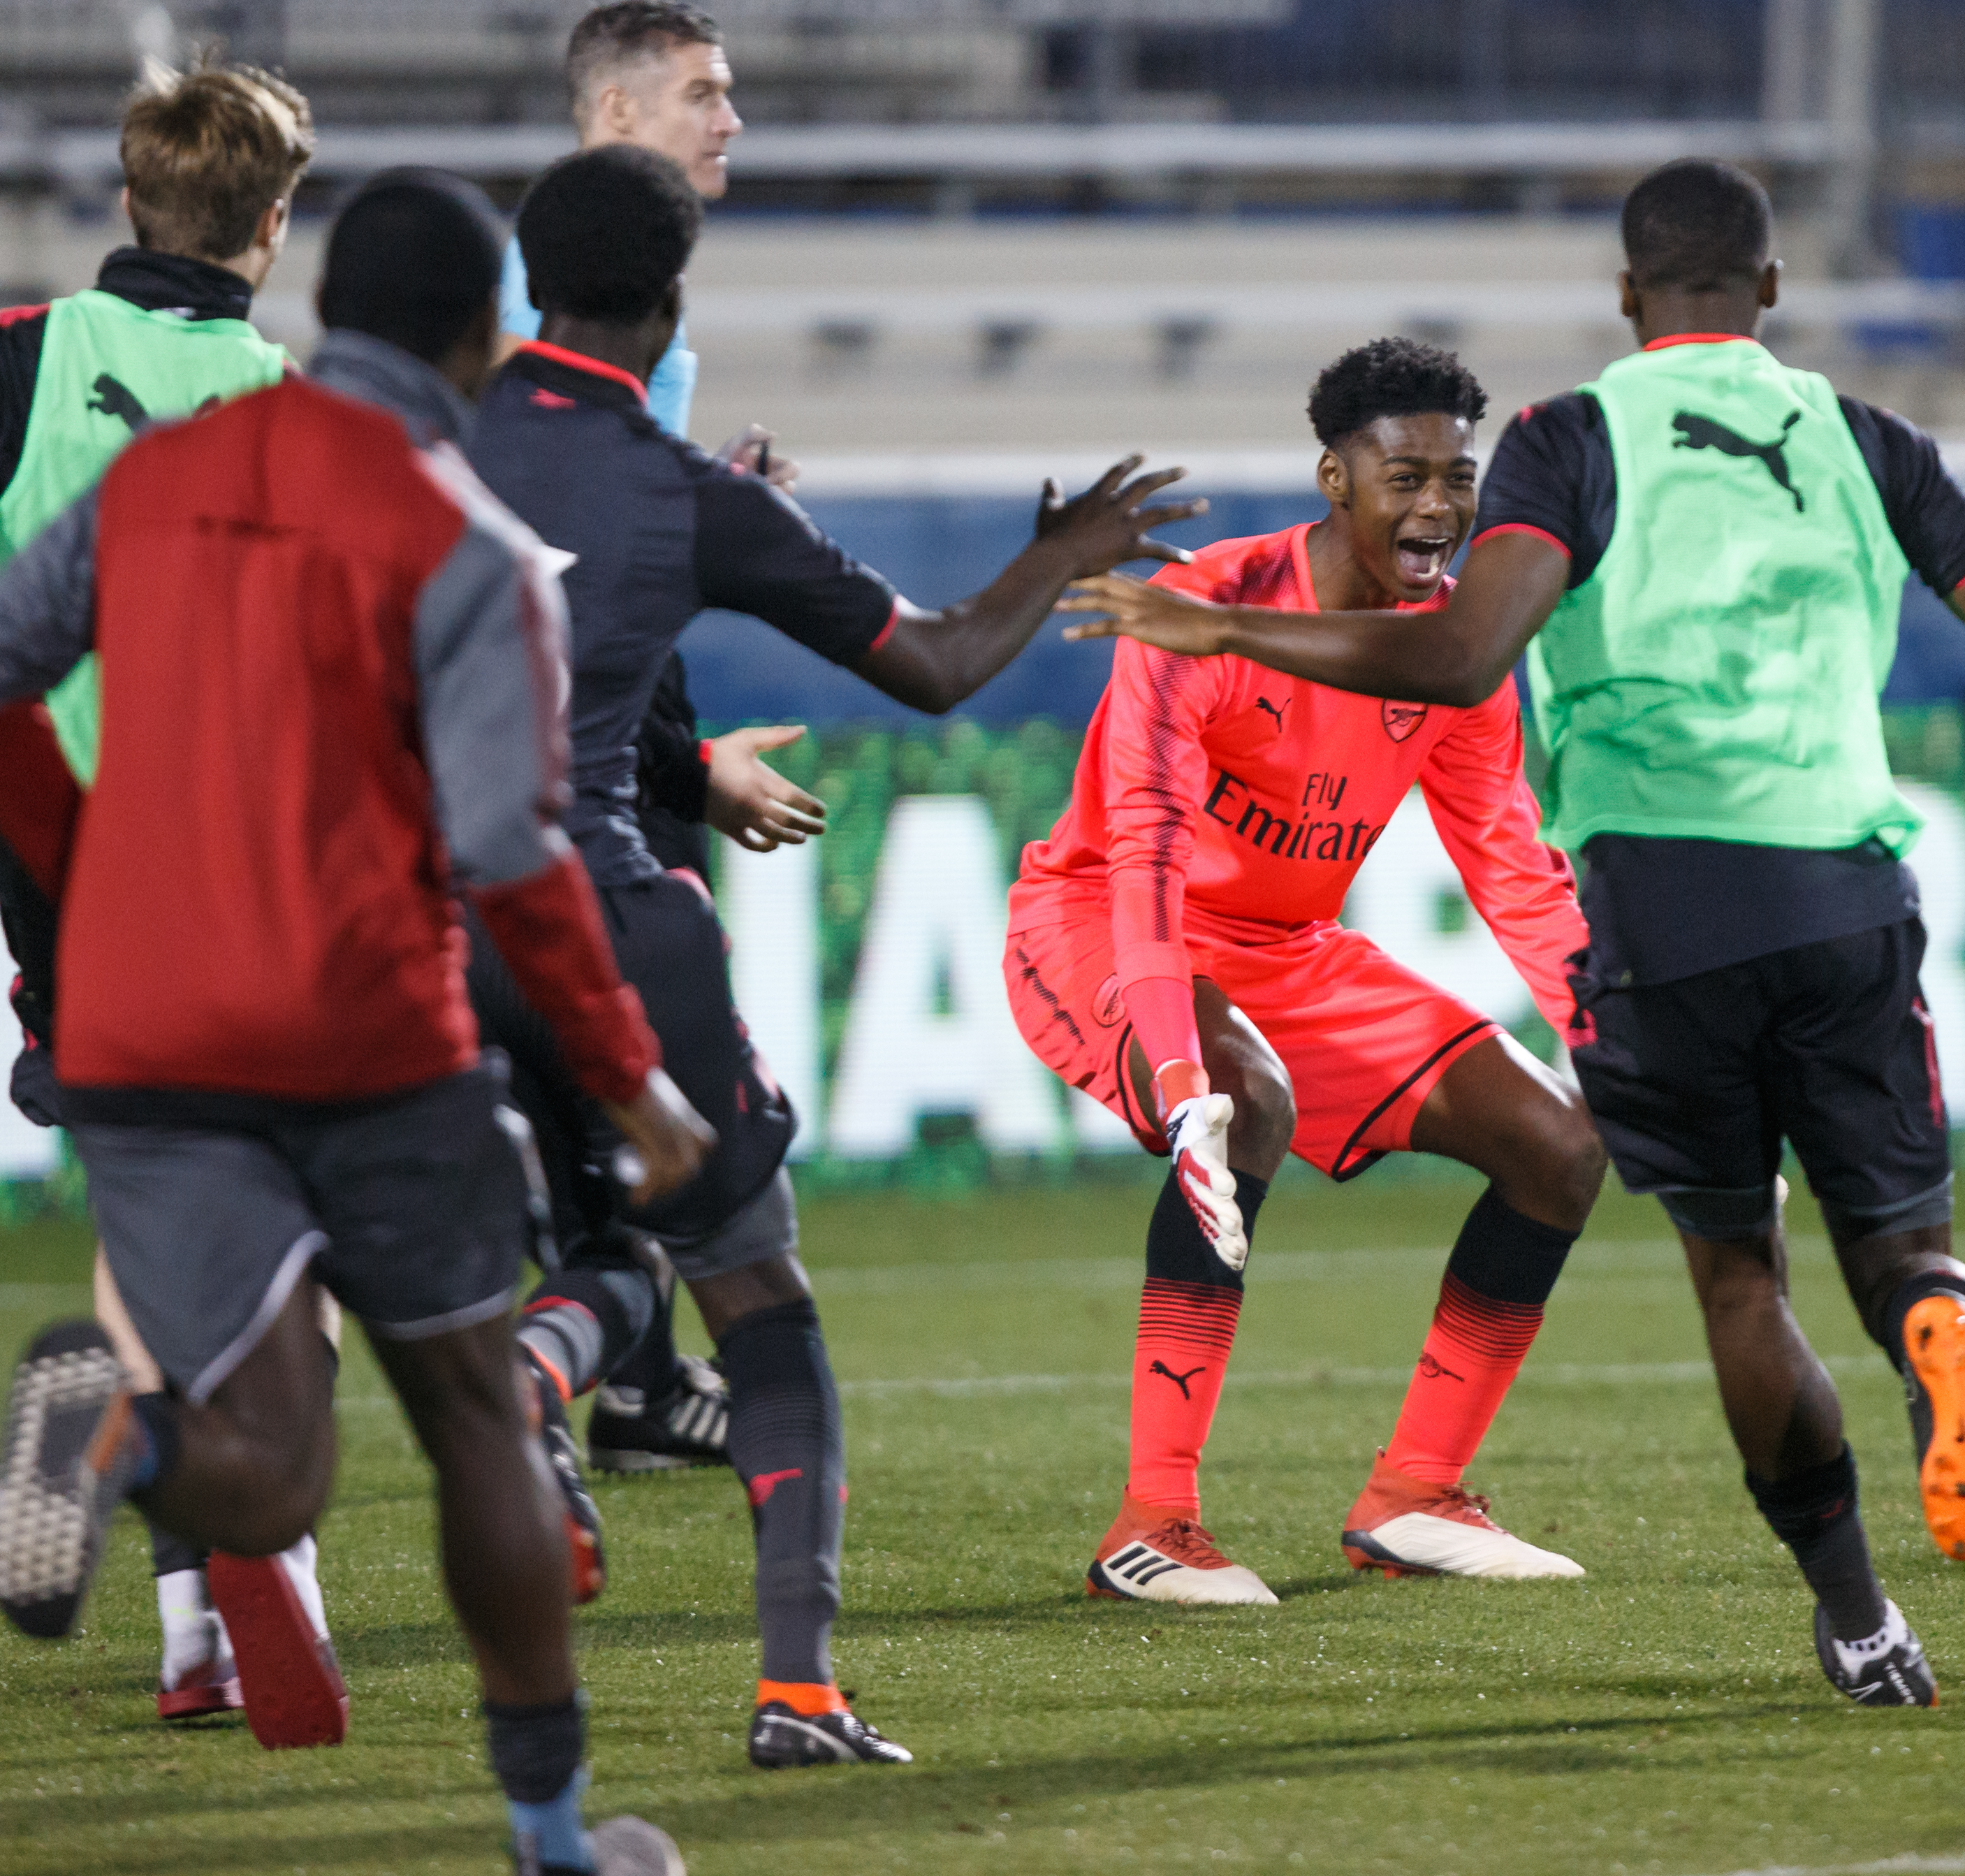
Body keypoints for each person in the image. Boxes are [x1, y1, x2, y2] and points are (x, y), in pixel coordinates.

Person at [1059, 159, 1965, 1705]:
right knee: (1899, 1244)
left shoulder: (1571, 440)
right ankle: (1935, 1343)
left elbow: (1468, 670)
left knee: (1708, 1256)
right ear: (1770, 290)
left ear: (1628, 298)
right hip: (1843, 891)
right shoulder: (1868, 438)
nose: (1433, 505)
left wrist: (1225, 627)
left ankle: (1810, 1600)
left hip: (1659, 910)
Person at [0, 166, 712, 1875]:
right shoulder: (463, 539)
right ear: (488, 337)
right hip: (364, 1029)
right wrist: (631, 1077)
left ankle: (114, 1428)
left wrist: (83, 872)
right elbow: (506, 857)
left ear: (320, 316)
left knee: (258, 1455)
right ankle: (551, 1832)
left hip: (148, 1031)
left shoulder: (155, 476)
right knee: (478, 1415)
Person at [464, 142, 1205, 1766]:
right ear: (670, 301)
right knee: (760, 1298)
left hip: (421, 942)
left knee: (599, 1246)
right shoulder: (684, 492)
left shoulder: (405, 443)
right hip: (606, 919)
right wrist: (1065, 554)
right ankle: (798, 1686)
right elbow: (939, 662)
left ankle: (524, 1377)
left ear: (530, 277)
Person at [1005, 337, 1604, 1605]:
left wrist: (1635, 1056)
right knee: (1244, 1098)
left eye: (1459, 475)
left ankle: (1415, 1496)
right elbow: (1149, 855)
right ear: (1336, 476)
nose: (1439, 506)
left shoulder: (1453, 648)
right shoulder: (1208, 607)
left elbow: (1510, 864)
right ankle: (1151, 1526)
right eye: (1405, 476)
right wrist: (1179, 1075)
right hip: (1101, 923)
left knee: (1561, 1146)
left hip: (1287, 954)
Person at [0, 52, 336, 1738]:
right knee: (304, 1194)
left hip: (56, 855)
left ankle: (194, 1621)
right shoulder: (297, 405)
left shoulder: (21, 356)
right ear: (274, 227)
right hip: (244, 856)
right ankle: (246, 1557)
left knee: (147, 1193)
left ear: (127, 199)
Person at [497, 0, 790, 1488]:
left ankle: (634, 1374)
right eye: (702, 93)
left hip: (581, 752)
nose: (729, 119)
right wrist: (689, 764)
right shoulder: (537, 290)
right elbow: (532, 558)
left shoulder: (622, 288)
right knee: (649, 1077)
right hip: (550, 780)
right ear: (615, 114)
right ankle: (568, 1349)